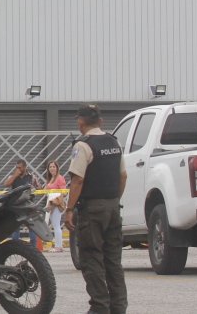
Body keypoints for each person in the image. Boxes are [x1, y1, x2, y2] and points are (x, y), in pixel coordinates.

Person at [63, 104, 128, 314]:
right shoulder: (114, 142)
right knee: (113, 261)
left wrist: (69, 209)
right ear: (100, 121)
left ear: (81, 122)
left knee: (91, 259)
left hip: (92, 209)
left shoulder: (82, 146)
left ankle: (100, 307)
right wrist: (114, 199)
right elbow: (123, 176)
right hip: (112, 207)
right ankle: (118, 307)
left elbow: (77, 181)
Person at [3, 159, 37, 240]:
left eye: (20, 167)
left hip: (28, 205)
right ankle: (15, 248)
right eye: (17, 167)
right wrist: (15, 175)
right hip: (16, 206)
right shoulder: (13, 176)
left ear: (25, 167)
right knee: (15, 229)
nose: (18, 169)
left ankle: (33, 248)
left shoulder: (31, 176)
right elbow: (6, 184)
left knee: (32, 228)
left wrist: (34, 187)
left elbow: (38, 187)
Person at [42, 161, 68, 252]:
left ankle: (58, 246)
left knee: (56, 225)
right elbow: (46, 190)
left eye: (53, 166)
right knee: (54, 224)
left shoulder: (60, 178)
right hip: (51, 203)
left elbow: (64, 192)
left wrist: (56, 196)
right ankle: (58, 245)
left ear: (57, 168)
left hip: (56, 204)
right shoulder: (51, 178)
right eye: (50, 167)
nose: (52, 168)